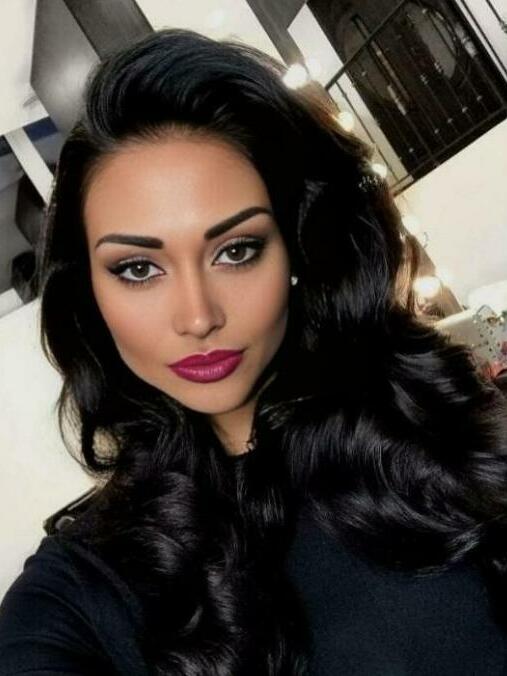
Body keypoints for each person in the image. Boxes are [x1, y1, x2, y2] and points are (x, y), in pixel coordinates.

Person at [1, 27, 507, 676]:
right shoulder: (82, 595)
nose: (197, 317)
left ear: (296, 249)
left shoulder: (464, 441)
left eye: (236, 251)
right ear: (89, 294)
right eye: (137, 269)